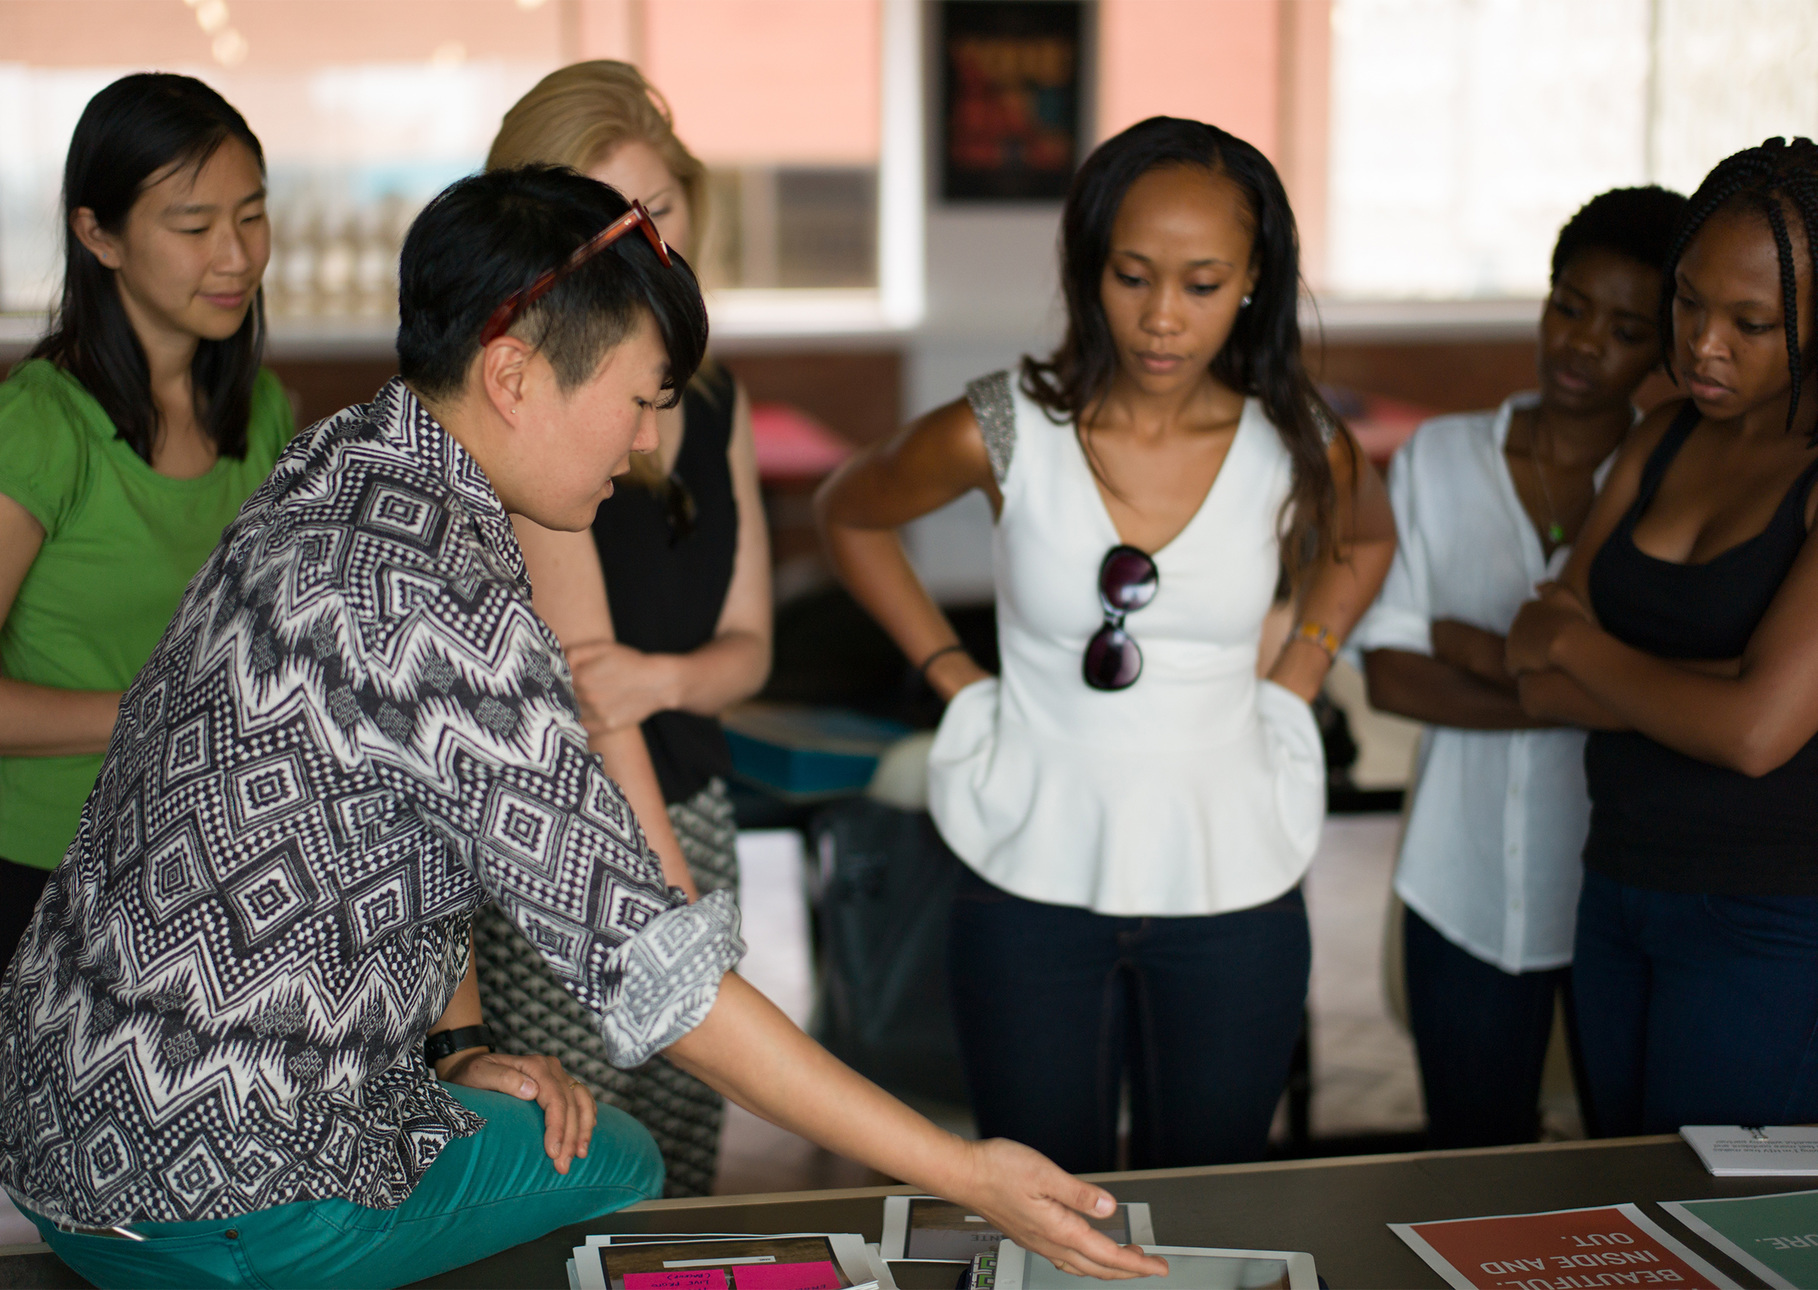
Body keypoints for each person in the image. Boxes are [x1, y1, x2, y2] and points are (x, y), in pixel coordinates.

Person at [0, 164, 1167, 1290]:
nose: (648, 443)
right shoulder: (442, 604)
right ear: (513, 374)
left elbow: (407, 816)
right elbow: (669, 991)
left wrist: (456, 1051)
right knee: (615, 1156)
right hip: (225, 1197)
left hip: (63, 1136)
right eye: (641, 399)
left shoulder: (334, 461)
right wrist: (964, 1171)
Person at [815, 117, 1395, 1172]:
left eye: (1203, 284)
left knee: (1210, 1199)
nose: (1162, 318)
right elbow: (848, 512)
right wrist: (954, 675)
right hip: (1027, 875)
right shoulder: (1002, 428)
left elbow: (1366, 539)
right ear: (1090, 271)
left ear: (1255, 282)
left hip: (1233, 880)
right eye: (1132, 276)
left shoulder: (1297, 441)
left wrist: (1299, 671)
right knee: (1041, 1196)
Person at [472, 61, 772, 1197]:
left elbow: (750, 650)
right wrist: (679, 933)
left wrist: (665, 678)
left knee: (685, 1176)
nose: (644, 245)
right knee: (583, 1180)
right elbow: (600, 717)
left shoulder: (718, 397)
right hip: (570, 844)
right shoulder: (531, 416)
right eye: (603, 221)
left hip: (697, 816)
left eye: (661, 208)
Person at [1354, 186, 1686, 1148]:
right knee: (1470, 1160)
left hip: (1622, 894)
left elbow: (1684, 686)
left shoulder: (1679, 482)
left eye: (1626, 330)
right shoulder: (1440, 457)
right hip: (1460, 887)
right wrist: (1597, 699)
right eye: (1569, 307)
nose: (1583, 344)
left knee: (1630, 1157)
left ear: (1668, 348)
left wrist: (1480, 651)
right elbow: (1391, 676)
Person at [1508, 138, 1818, 1135]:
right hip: (1618, 882)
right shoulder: (1663, 434)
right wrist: (1722, 682)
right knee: (1620, 1183)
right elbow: (1531, 668)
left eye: (1751, 323)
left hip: (1770, 913)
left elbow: (1753, 738)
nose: (1702, 346)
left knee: (1718, 1207)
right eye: (1687, 302)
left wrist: (1587, 650)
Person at [0, 73, 293, 971]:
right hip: (37, 878)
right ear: (99, 236)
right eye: (194, 228)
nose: (236, 256)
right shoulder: (40, 427)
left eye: (252, 216)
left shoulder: (262, 412)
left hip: (200, 866)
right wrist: (162, 711)